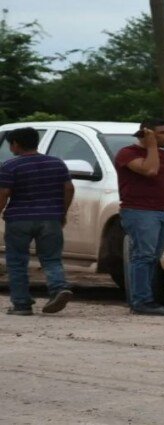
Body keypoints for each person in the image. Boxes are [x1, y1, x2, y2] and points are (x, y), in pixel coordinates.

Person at [116, 119, 164, 315]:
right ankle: (141, 301)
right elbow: (150, 170)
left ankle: (146, 298)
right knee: (143, 256)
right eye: (163, 133)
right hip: (139, 211)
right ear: (148, 133)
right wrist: (151, 146)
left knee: (152, 258)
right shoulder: (127, 153)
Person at [0, 127, 74, 316]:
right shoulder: (56, 164)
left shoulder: (10, 166)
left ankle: (21, 304)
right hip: (50, 218)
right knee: (51, 258)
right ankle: (58, 288)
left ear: (16, 144)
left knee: (17, 262)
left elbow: (4, 193)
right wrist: (62, 212)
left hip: (19, 220)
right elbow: (69, 188)